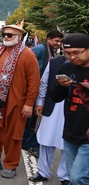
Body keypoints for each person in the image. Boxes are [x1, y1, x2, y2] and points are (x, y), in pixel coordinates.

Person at [0, 24, 40, 179]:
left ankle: (11, 165)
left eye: (10, 35)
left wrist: (29, 104)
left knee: (12, 135)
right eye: (4, 34)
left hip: (14, 104)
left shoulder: (27, 55)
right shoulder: (1, 52)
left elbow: (34, 82)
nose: (6, 37)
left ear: (19, 37)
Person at [49, 33, 89, 185]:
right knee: (77, 180)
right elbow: (54, 97)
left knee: (79, 177)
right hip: (71, 131)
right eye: (67, 53)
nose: (72, 57)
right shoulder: (66, 68)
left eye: (76, 53)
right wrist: (59, 85)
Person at [29, 55, 70, 185]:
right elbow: (44, 83)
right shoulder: (54, 63)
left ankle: (65, 177)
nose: (72, 55)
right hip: (52, 106)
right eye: (68, 51)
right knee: (46, 140)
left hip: (75, 110)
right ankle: (43, 172)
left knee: (68, 144)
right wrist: (39, 103)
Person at [24, 30, 64, 158]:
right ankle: (29, 144)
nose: (58, 43)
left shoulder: (52, 51)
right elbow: (26, 61)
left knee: (35, 118)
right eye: (56, 41)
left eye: (60, 41)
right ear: (48, 39)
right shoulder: (41, 49)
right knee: (32, 119)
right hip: (33, 88)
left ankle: (29, 142)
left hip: (41, 89)